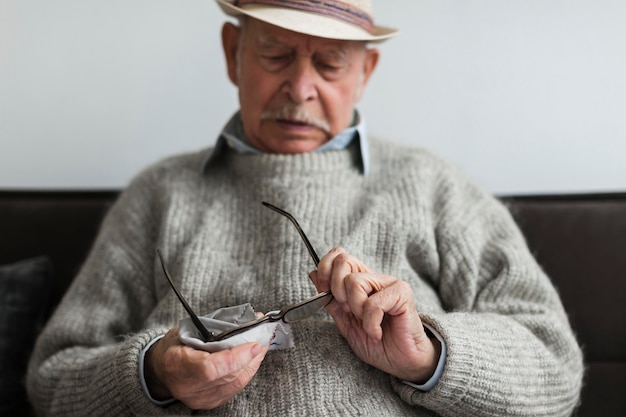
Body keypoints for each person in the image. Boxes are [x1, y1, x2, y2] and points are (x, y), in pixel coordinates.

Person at [27, 1, 583, 416]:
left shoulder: (433, 185)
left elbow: (555, 369)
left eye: (331, 64)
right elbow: (53, 378)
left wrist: (427, 356)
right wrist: (155, 374)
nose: (300, 87)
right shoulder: (158, 194)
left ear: (365, 73)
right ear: (232, 52)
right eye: (275, 53)